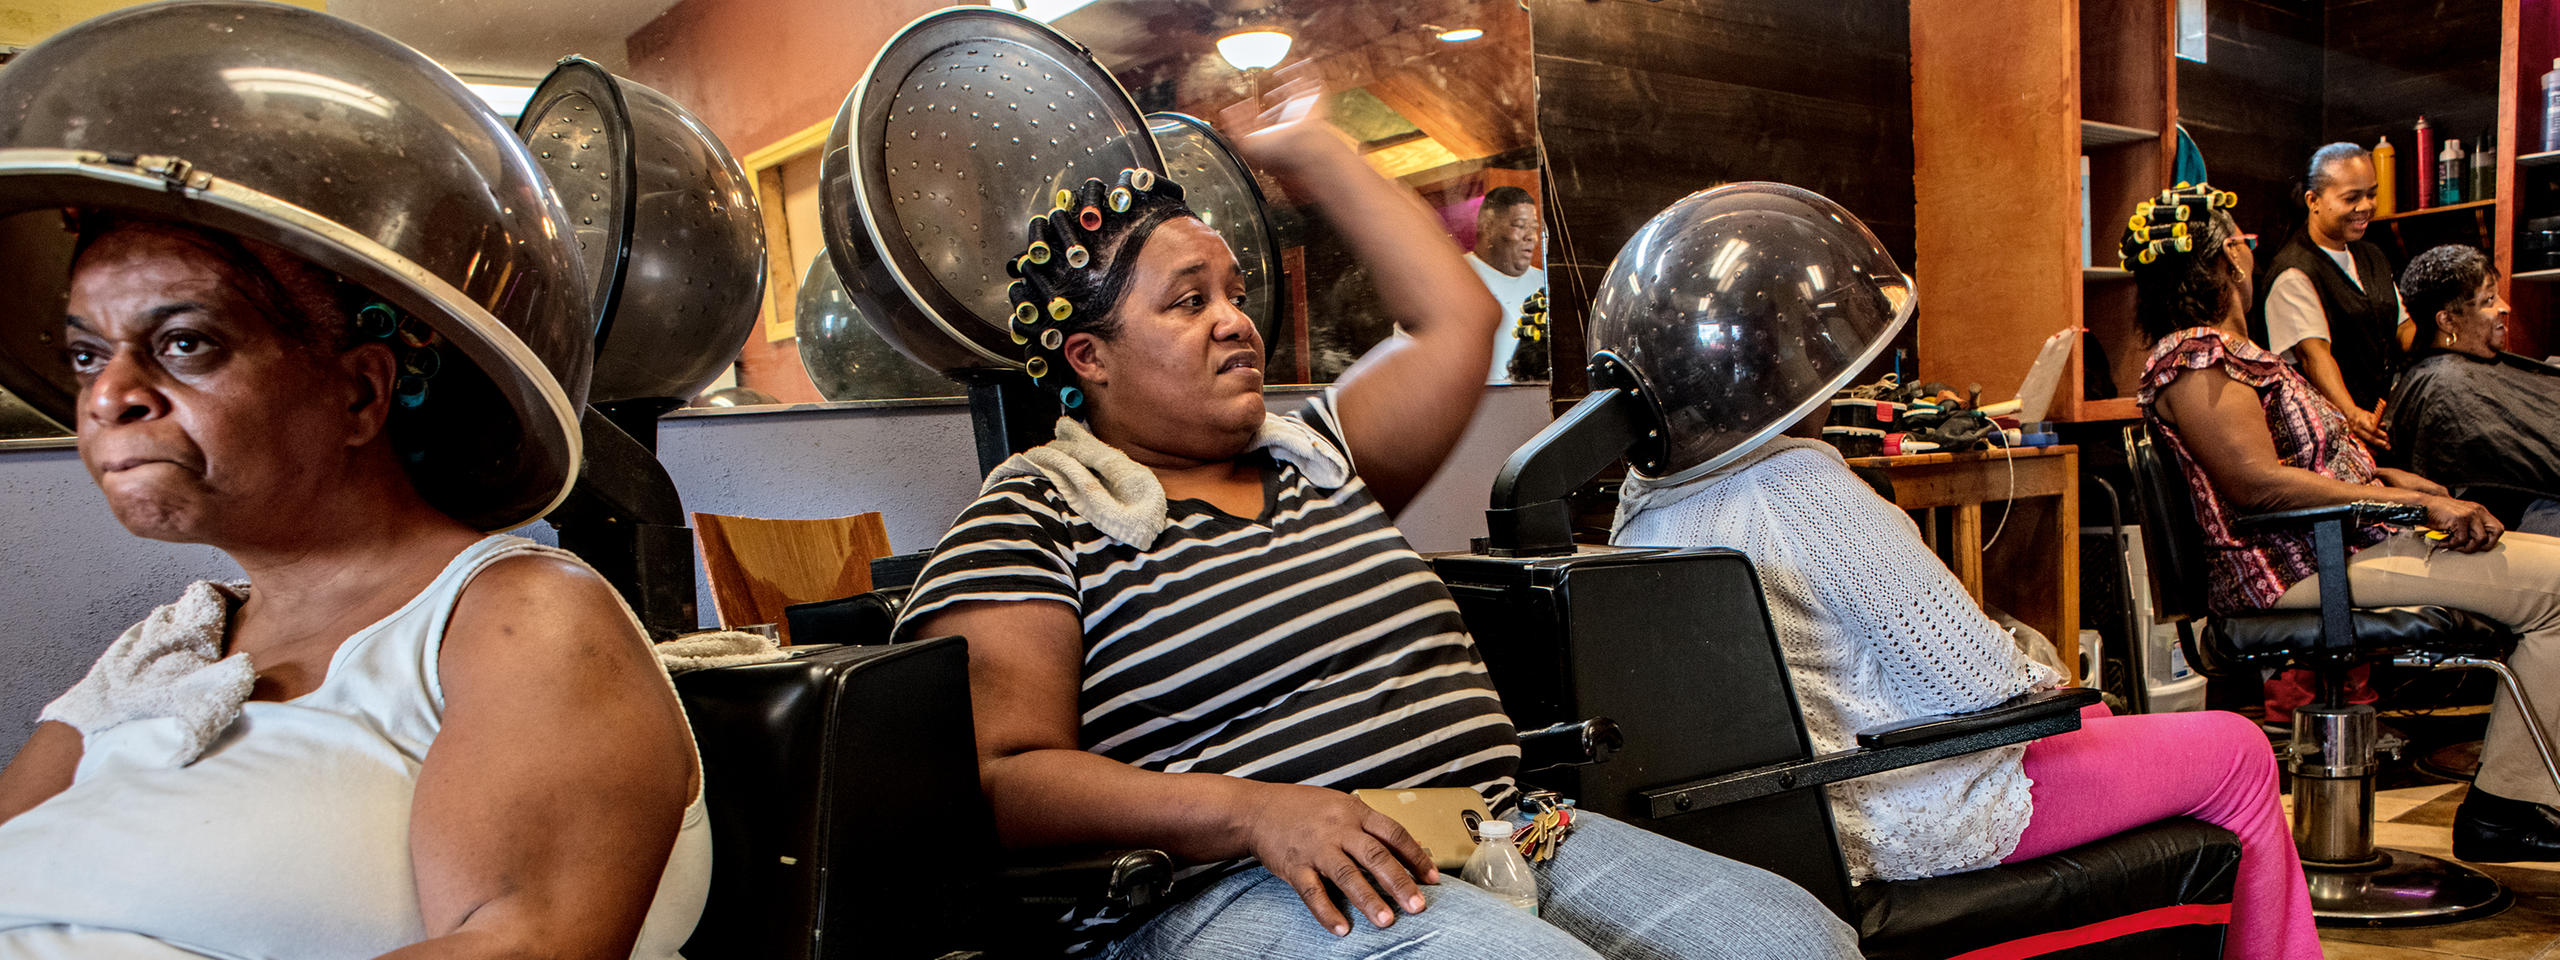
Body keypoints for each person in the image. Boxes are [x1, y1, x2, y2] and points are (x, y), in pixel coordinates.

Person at [892, 81, 1858, 960]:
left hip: (1491, 827)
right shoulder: (1038, 511)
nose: (1235, 321)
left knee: (1797, 942)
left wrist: (1316, 151)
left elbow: (1457, 319)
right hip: (1237, 884)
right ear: (1089, 357)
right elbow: (1001, 775)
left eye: (1234, 293)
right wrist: (1250, 813)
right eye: (1188, 303)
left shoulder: (1316, 455)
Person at [0, 6, 707, 956]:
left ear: (359, 392)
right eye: (89, 356)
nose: (113, 396)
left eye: (184, 344)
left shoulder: (513, 623)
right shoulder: (159, 652)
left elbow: (522, 941)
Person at [1609, 186, 2319, 960]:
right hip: (1901, 808)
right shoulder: (1800, 491)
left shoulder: (1644, 505)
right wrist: (2036, 670)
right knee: (2238, 750)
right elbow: (1982, 687)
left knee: (2100, 720)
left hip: (1796, 805)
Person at [2131, 184, 2560, 865]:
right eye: (2239, 239)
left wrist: (2401, 484)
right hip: (2296, 572)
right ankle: (2505, 812)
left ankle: (2514, 800)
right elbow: (2256, 484)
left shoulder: (2228, 351)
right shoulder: (2199, 356)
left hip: (2337, 550)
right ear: (2225, 265)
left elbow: (2310, 464)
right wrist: (2419, 508)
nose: (2249, 248)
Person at [2383, 244, 2560, 535]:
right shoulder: (2444, 386)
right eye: (2488, 300)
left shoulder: (2460, 370)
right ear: (2447, 320)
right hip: (2509, 523)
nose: (2505, 306)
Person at [2259, 142, 2411, 449]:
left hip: (2377, 426)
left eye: (2371, 193)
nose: (2366, 206)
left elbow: (2402, 327)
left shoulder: (2371, 256)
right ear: (2313, 200)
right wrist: (2352, 414)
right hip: (2329, 437)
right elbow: (2314, 357)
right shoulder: (2293, 272)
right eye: (2351, 198)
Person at [1463, 185, 1548, 382]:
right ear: (1487, 225)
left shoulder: (1544, 283)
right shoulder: (1453, 277)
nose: (1531, 237)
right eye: (1519, 225)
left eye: (1534, 228)